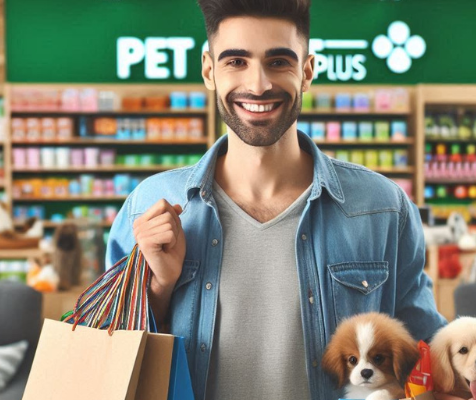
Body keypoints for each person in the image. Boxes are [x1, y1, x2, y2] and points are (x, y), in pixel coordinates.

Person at [105, 0, 446, 399]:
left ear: (307, 71)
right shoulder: (149, 203)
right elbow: (110, 365)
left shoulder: (381, 208)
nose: (259, 84)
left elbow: (428, 346)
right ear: (208, 70)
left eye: (279, 61)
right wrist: (160, 287)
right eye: (236, 61)